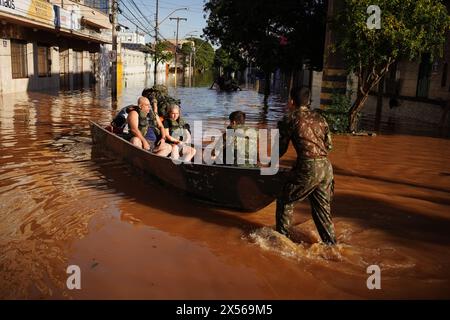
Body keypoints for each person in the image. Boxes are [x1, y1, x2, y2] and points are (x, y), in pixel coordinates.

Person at [276, 87, 337, 245]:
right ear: (309, 101)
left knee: (285, 200)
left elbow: (280, 149)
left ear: (291, 101)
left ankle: (282, 241)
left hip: (308, 167)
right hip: (326, 168)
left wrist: (268, 163)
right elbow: (329, 146)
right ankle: (332, 246)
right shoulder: (320, 118)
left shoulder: (290, 119)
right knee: (322, 210)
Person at [141, 88, 172, 157]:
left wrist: (163, 138)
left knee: (168, 147)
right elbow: (134, 129)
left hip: (155, 142)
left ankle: (154, 162)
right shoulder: (135, 112)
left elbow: (161, 126)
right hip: (143, 141)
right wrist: (144, 141)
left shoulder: (155, 113)